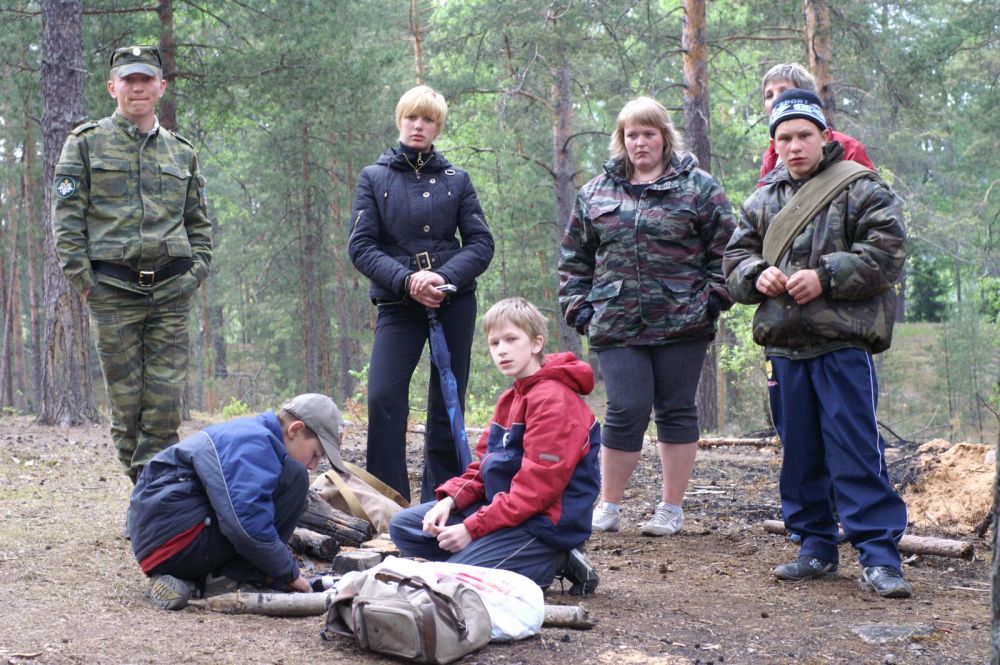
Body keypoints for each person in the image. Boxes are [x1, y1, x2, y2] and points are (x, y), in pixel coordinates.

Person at [723, 89, 912, 598]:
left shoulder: (861, 188)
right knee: (800, 455)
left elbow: (888, 253)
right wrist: (756, 274)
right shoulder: (762, 200)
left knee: (855, 450)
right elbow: (733, 260)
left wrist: (825, 277)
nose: (794, 146)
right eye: (784, 138)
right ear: (775, 144)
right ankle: (815, 547)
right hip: (784, 348)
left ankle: (880, 557)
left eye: (804, 135)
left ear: (825, 136)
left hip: (842, 345)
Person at [558, 96, 735, 537]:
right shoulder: (595, 192)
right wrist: (580, 308)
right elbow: (574, 258)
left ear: (664, 137)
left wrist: (713, 299)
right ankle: (608, 505)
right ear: (622, 139)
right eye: (632, 134)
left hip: (683, 321)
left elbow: (728, 251)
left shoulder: (698, 188)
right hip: (616, 323)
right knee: (625, 408)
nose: (640, 142)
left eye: (648, 134)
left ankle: (670, 508)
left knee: (676, 410)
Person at [52, 45, 212, 485]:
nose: (137, 87)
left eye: (146, 79)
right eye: (128, 79)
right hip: (113, 293)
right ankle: (148, 493)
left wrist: (196, 272)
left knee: (164, 406)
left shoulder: (181, 152)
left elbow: (199, 223)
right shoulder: (85, 144)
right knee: (126, 409)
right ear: (112, 87)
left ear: (161, 87)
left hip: (171, 292)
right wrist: (86, 283)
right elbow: (66, 222)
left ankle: (152, 498)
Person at [389, 298, 601, 594]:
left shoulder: (555, 402)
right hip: (506, 510)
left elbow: (536, 492)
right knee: (404, 527)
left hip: (543, 524)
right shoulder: (511, 398)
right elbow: (484, 467)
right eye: (494, 343)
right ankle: (490, 553)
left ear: (536, 343)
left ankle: (554, 559)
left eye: (512, 339)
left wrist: (471, 528)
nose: (502, 350)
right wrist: (449, 501)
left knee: (459, 579)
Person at [348, 85, 494, 504]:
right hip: (397, 303)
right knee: (383, 396)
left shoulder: (457, 180)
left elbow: (481, 243)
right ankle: (386, 502)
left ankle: (443, 502)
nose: (418, 125)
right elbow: (361, 246)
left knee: (447, 401)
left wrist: (443, 278)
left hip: (453, 301)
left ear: (438, 127)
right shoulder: (374, 177)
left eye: (428, 119)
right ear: (400, 120)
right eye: (412, 117)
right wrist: (409, 280)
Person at [129, 393, 344, 610]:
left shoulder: (254, 435)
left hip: (168, 540)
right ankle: (233, 579)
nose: (314, 465)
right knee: (295, 476)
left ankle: (193, 583)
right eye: (316, 454)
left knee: (291, 475)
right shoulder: (254, 444)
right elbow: (246, 526)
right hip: (176, 539)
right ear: (295, 430)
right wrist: (289, 574)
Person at [758, 63, 874, 186]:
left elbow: (868, 191)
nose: (774, 100)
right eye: (769, 95)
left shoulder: (849, 148)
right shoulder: (771, 158)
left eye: (784, 91)